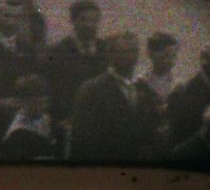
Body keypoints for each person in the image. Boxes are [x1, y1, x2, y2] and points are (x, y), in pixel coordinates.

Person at [67, 31, 159, 162]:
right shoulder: (92, 90)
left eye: (132, 51)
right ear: (109, 54)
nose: (128, 57)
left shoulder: (144, 89)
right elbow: (81, 140)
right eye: (122, 52)